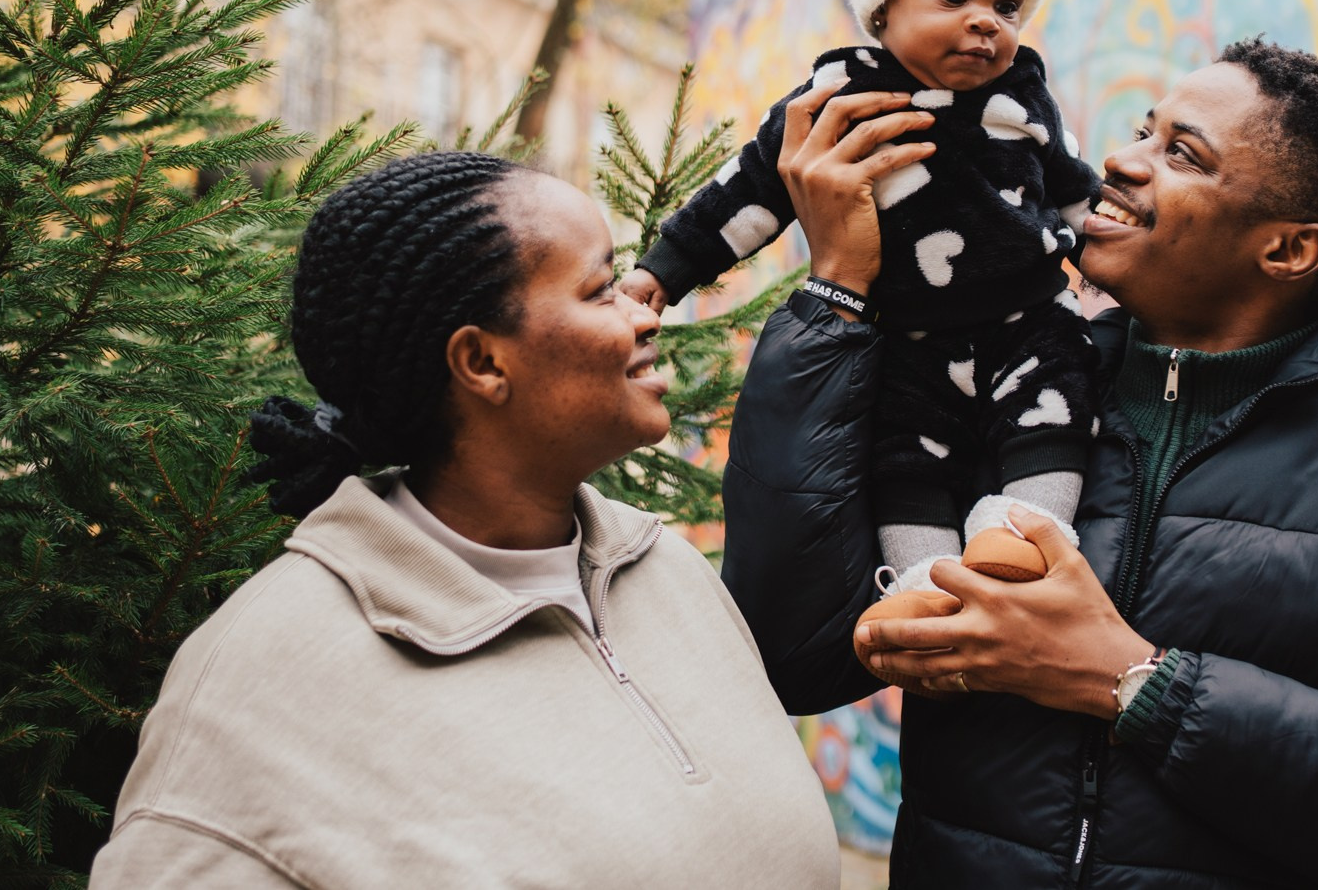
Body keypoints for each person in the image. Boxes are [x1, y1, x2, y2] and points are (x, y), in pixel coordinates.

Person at [720, 40, 1318, 888]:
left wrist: (1137, 682)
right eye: (1142, 130)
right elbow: (798, 656)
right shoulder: (987, 403)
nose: (1119, 162)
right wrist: (838, 288)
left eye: (1181, 153)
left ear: (1287, 250)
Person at [91, 151, 840, 889]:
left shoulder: (665, 571)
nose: (645, 309)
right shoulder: (264, 677)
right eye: (602, 287)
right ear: (481, 362)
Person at [622, 0, 1101, 635]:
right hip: (907, 340)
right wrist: (658, 273)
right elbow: (746, 193)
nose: (987, 20)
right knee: (904, 454)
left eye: (1009, 3)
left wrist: (1109, 250)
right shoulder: (838, 96)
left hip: (1031, 319)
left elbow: (1071, 185)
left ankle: (1022, 534)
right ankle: (920, 581)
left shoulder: (1023, 93)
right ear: (883, 5)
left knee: (1055, 411)